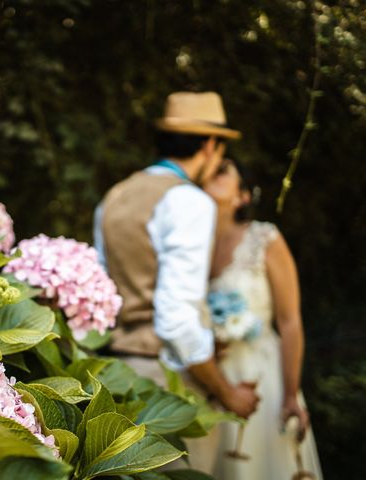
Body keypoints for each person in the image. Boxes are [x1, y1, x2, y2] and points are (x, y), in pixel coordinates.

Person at [94, 92, 259, 472]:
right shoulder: (188, 201)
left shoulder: (115, 196)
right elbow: (176, 319)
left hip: (110, 374)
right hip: (165, 384)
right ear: (210, 145)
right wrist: (226, 391)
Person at [205, 158, 323, 479]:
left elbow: (289, 321)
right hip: (211, 378)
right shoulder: (191, 246)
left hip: (264, 376)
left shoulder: (264, 239)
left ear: (243, 195)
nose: (210, 170)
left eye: (222, 170)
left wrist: (289, 393)